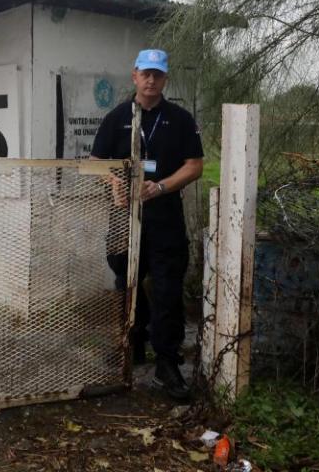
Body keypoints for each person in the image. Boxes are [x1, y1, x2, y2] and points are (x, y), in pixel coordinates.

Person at [91, 49, 203, 402]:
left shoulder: (180, 119)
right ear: (134, 76)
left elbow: (195, 165)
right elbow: (96, 162)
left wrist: (161, 185)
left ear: (165, 79)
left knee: (168, 289)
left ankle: (167, 363)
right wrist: (114, 184)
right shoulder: (117, 117)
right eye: (145, 73)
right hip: (125, 217)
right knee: (127, 282)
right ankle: (130, 347)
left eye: (158, 74)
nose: (151, 80)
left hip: (165, 217)